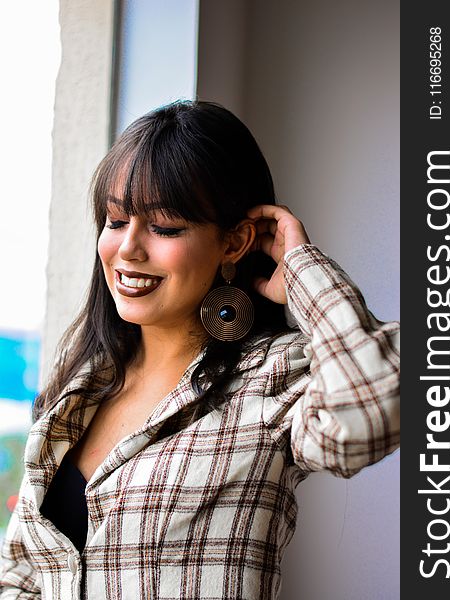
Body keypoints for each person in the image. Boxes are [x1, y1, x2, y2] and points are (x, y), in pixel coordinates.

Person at [0, 100, 400, 600]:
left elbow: (374, 409)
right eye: (116, 220)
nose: (128, 248)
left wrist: (302, 268)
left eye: (165, 228)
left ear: (233, 244)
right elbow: (22, 572)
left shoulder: (276, 376)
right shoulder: (82, 383)